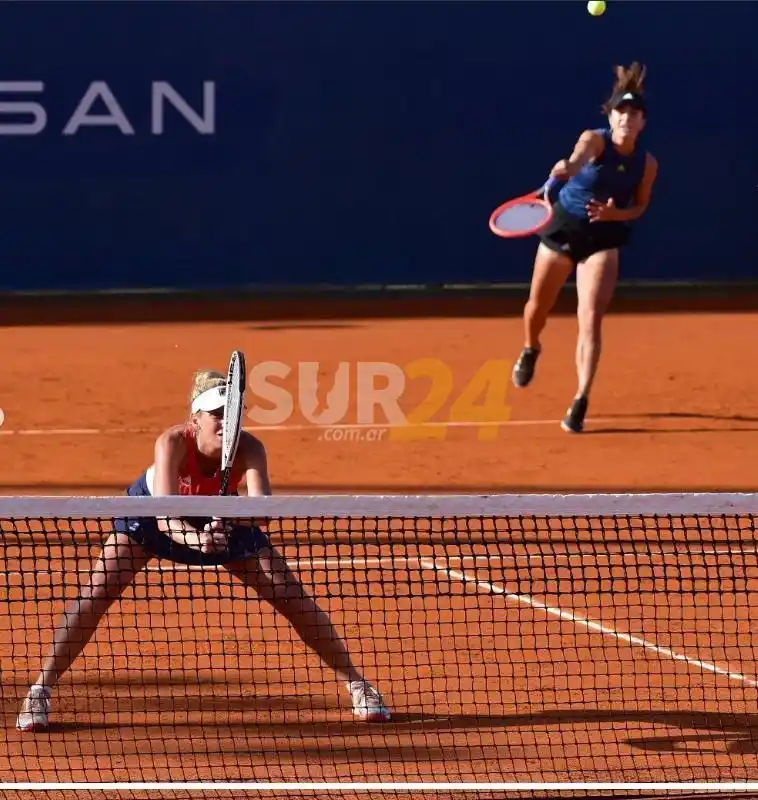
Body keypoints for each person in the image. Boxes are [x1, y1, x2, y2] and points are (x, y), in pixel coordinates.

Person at [16, 368, 391, 731]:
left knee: (290, 594)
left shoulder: (249, 447)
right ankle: (40, 689)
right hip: (153, 514)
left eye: (232, 414)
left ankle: (357, 684)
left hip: (223, 513)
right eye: (216, 414)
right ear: (194, 418)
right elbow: (165, 517)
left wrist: (232, 520)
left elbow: (263, 512)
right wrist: (199, 539)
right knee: (97, 592)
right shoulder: (173, 442)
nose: (226, 422)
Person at [511, 62, 659, 433]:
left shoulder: (647, 164)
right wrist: (570, 165)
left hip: (604, 236)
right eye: (620, 112)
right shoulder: (594, 140)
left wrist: (616, 215)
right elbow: (578, 157)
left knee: (590, 316)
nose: (626, 118)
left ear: (642, 122)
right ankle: (531, 348)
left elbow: (640, 205)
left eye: (634, 113)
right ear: (610, 117)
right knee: (536, 308)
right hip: (565, 227)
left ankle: (580, 398)